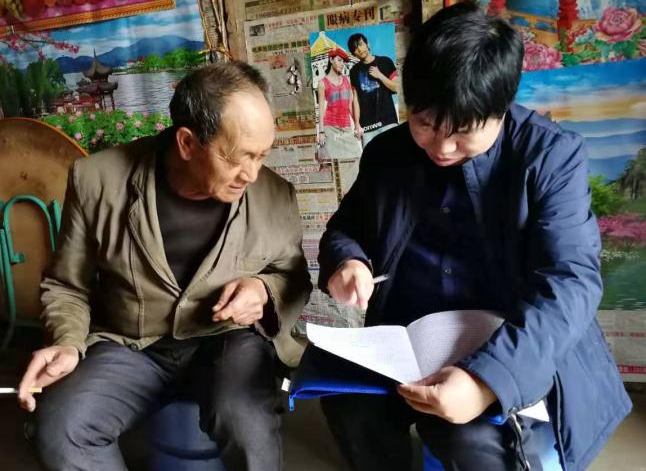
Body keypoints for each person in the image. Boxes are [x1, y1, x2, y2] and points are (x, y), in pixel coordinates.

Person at [318, 1, 631, 471]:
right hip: (407, 340)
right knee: (349, 406)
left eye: (463, 131)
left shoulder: (549, 156)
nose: (442, 147)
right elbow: (347, 227)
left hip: (509, 337)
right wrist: (349, 261)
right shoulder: (387, 153)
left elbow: (571, 281)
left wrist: (487, 379)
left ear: (500, 111)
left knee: (472, 443)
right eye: (425, 123)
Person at [17, 62, 312, 471]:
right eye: (238, 157)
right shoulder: (97, 180)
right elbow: (67, 285)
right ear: (187, 143)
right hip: (130, 344)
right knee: (60, 426)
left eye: (262, 155)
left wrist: (263, 291)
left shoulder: (275, 195)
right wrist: (67, 342)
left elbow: (293, 276)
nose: (252, 174)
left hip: (228, 340)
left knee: (248, 425)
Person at [347, 32, 399, 148]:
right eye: (355, 48)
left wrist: (379, 75)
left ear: (367, 44)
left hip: (388, 121)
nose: (359, 49)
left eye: (361, 44)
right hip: (367, 126)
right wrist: (357, 124)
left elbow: (396, 87)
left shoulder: (385, 62)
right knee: (370, 158)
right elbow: (356, 99)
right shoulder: (354, 71)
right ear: (353, 53)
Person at [317, 48, 362, 160]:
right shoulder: (322, 83)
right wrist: (321, 132)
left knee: (356, 157)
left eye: (343, 61)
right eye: (339, 60)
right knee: (335, 160)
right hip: (330, 127)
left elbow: (350, 105)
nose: (342, 64)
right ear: (331, 60)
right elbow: (321, 109)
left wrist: (357, 125)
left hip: (346, 127)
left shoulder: (347, 80)